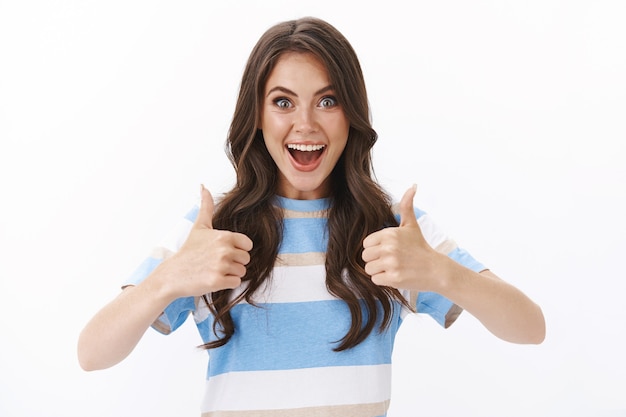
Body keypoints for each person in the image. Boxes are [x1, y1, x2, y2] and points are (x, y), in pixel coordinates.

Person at [77, 16, 545, 416]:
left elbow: (529, 328)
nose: (305, 124)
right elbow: (92, 353)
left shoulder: (395, 233)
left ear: (351, 114)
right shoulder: (213, 233)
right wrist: (169, 279)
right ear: (257, 116)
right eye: (283, 102)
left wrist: (440, 272)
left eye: (328, 100)